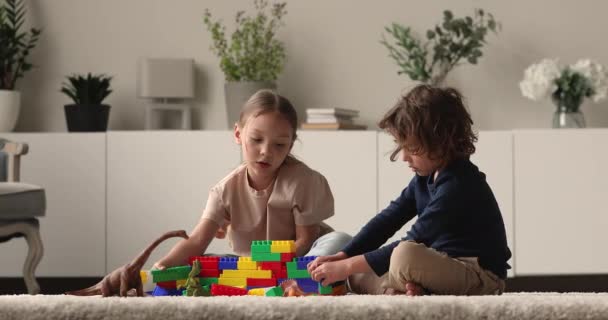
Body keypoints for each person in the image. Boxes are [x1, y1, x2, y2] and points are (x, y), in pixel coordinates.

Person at [307, 84, 512, 296]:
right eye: (401, 145)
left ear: (442, 143)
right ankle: (405, 289)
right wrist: (345, 255)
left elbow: (416, 239)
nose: (404, 157)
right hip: (439, 265)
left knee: (403, 254)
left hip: (479, 274)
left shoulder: (458, 185)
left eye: (412, 149)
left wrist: (347, 265)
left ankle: (397, 287)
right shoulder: (424, 178)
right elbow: (388, 219)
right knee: (357, 272)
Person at [153, 89, 351, 269]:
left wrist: (272, 262)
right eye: (256, 140)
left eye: (279, 145)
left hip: (304, 259)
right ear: (238, 134)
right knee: (199, 262)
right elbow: (196, 241)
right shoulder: (224, 191)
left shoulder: (302, 181)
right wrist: (160, 267)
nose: (266, 152)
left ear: (290, 145)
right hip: (253, 264)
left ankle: (297, 281)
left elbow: (305, 242)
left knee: (339, 241)